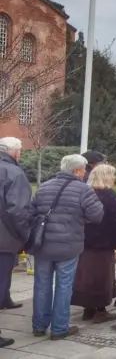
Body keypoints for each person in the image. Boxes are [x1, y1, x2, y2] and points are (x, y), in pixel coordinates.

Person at [28, 154, 104, 340]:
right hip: (69, 245)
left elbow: (31, 212)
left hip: (43, 245)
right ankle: (59, 328)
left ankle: (39, 326)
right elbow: (97, 215)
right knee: (64, 285)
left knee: (41, 285)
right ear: (77, 171)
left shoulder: (44, 187)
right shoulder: (83, 190)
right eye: (84, 169)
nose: (86, 172)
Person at [72, 164, 116, 323]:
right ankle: (101, 310)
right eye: (113, 175)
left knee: (85, 274)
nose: (115, 178)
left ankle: (87, 308)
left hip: (84, 241)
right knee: (103, 275)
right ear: (106, 177)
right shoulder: (109, 194)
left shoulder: (85, 192)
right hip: (103, 242)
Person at [0, 138, 31, 348]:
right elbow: (17, 210)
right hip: (4, 239)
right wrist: (25, 235)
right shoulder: (13, 173)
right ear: (15, 153)